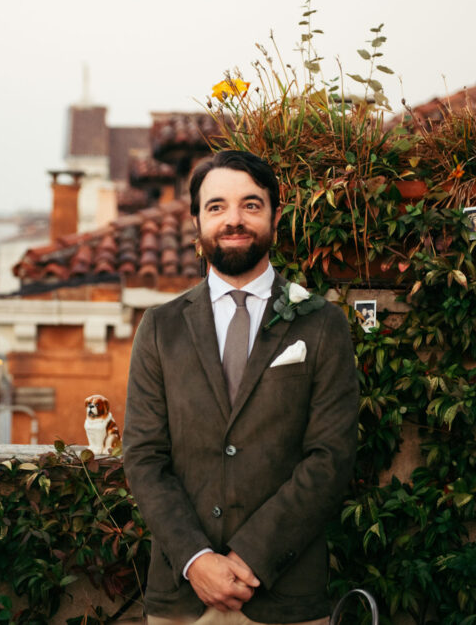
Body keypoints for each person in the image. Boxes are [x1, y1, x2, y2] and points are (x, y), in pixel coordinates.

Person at [123, 151, 359, 625]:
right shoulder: (159, 327)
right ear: (196, 222)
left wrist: (249, 560)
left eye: (251, 205)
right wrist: (197, 560)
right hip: (182, 599)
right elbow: (145, 457)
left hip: (286, 596)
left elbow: (330, 456)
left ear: (275, 214)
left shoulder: (322, 325)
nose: (233, 219)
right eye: (216, 207)